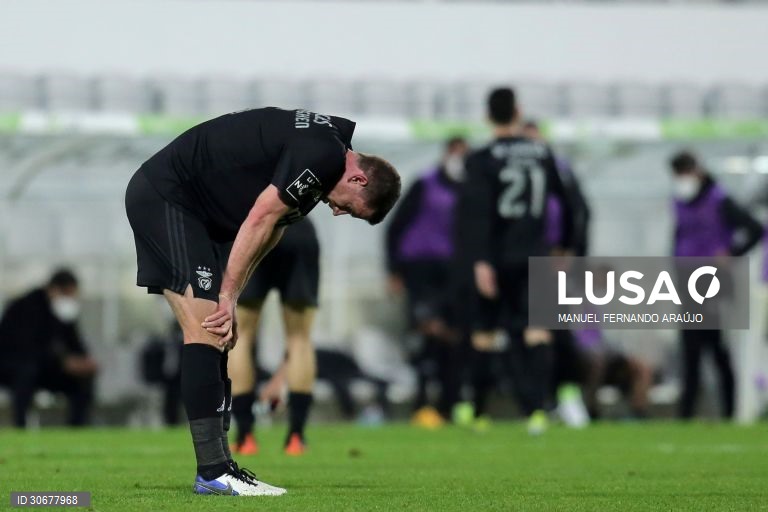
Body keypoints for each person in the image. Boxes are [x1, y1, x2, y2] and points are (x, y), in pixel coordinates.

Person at [125, 107, 400, 497]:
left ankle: (221, 468)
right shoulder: (323, 155)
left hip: (192, 211)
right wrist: (227, 295)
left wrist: (232, 297)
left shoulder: (328, 157)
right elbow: (259, 216)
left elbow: (274, 229)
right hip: (168, 196)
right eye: (349, 207)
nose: (337, 212)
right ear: (358, 178)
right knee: (206, 329)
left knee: (218, 333)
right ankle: (213, 472)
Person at [458, 87, 574, 435]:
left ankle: (478, 411)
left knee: (485, 332)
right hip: (535, 254)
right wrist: (564, 248)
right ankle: (538, 410)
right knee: (536, 331)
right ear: (518, 112)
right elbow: (567, 204)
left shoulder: (481, 159)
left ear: (488, 116)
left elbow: (475, 216)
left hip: (496, 257)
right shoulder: (542, 153)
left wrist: (480, 261)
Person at [670, 150, 761, 419]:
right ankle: (686, 414)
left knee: (713, 348)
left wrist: (732, 252)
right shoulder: (679, 201)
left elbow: (755, 229)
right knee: (691, 350)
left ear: (696, 171)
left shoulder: (719, 200)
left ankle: (728, 410)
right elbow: (678, 240)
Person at [385, 136, 468, 425]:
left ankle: (449, 404)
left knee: (451, 338)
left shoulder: (470, 189)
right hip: (420, 269)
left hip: (452, 273)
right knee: (423, 333)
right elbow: (396, 227)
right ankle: (421, 402)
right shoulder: (425, 184)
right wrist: (393, 270)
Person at [226, 218, 319, 457]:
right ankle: (296, 437)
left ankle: (245, 435)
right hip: (297, 228)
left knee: (242, 335)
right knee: (299, 337)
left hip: (253, 229)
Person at [0, 269, 98, 427]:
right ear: (53, 289)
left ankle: (77, 428)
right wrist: (63, 362)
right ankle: (20, 425)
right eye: (66, 294)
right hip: (13, 365)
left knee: (83, 378)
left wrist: (83, 361)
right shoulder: (26, 306)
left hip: (47, 367)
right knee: (27, 371)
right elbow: (26, 348)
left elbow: (74, 342)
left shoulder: (65, 313)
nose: (69, 299)